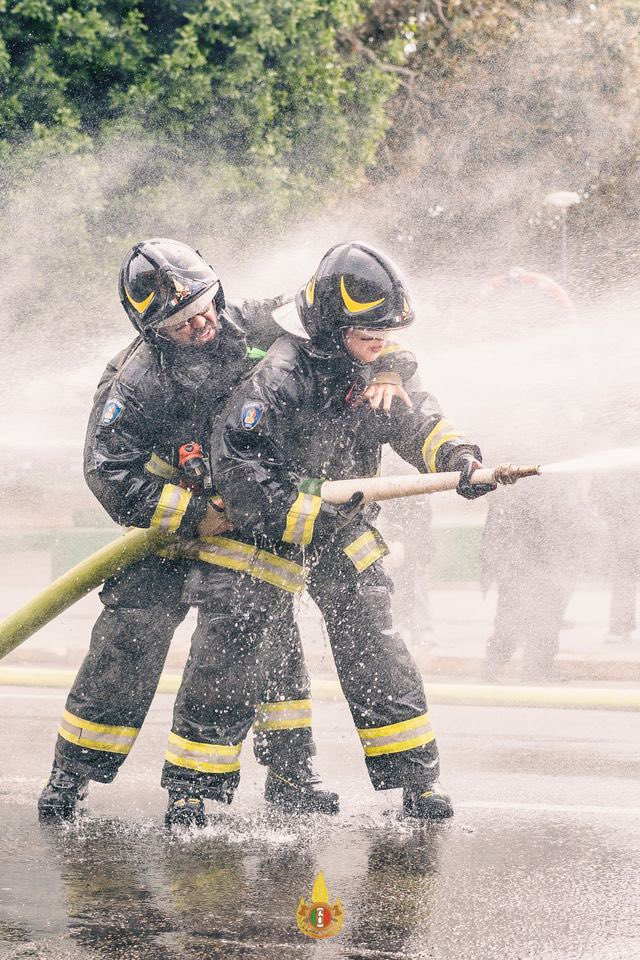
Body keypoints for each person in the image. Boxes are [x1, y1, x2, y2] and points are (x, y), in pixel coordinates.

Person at [38, 238, 409, 826]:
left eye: (204, 306)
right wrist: (193, 515)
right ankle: (71, 773)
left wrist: (388, 368)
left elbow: (347, 329)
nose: (201, 324)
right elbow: (107, 471)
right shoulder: (135, 381)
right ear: (152, 330)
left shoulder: (257, 321)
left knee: (267, 634)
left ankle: (291, 775)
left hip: (249, 515)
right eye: (181, 323)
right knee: (129, 638)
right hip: (173, 527)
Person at [161, 241, 494, 822]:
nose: (382, 343)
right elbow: (238, 467)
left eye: (387, 334)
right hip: (266, 533)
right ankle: (193, 787)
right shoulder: (279, 375)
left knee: (374, 645)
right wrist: (304, 514)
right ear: (335, 328)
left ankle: (416, 781)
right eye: (371, 333)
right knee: (232, 652)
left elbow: (418, 420)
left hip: (343, 529)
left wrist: (458, 458)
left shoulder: (374, 368)